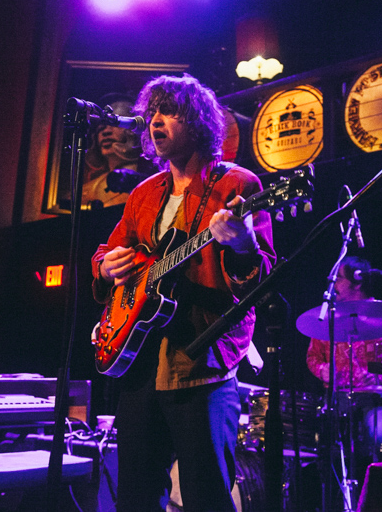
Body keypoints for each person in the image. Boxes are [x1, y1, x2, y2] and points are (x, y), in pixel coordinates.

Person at [92, 74, 275, 512]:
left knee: (206, 496)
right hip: (139, 365)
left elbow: (264, 276)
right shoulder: (143, 193)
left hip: (201, 366)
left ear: (197, 122)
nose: (155, 122)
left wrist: (242, 244)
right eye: (151, 113)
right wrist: (105, 265)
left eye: (168, 112)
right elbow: (110, 250)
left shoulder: (237, 185)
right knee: (134, 497)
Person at [305, 256, 382, 465]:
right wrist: (324, 370)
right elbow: (312, 357)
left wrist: (377, 376)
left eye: (339, 278)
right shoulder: (326, 317)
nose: (333, 284)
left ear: (357, 282)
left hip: (373, 403)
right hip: (334, 403)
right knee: (318, 453)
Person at [81, 93, 155, 209]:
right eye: (102, 127)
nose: (105, 132)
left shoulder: (154, 185)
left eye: (115, 123)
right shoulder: (85, 192)